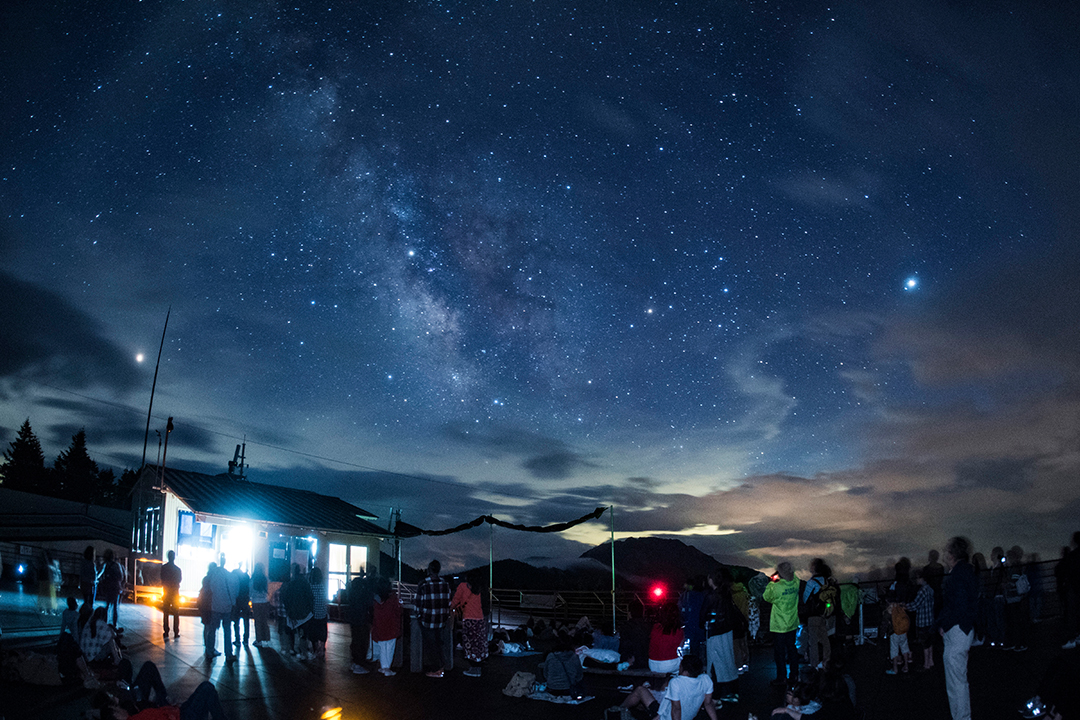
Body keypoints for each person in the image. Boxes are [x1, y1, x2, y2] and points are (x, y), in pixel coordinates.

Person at [937, 536, 980, 720]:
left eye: (946, 550)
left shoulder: (958, 575)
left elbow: (958, 606)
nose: (944, 553)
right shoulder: (965, 571)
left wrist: (944, 625)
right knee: (958, 680)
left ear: (952, 554)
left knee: (956, 683)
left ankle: (962, 717)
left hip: (957, 631)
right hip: (961, 630)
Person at [92, 664, 229, 720]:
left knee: (148, 667)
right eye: (116, 708)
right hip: (181, 716)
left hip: (172, 710)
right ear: (116, 714)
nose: (118, 706)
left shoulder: (130, 712)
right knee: (206, 688)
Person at [619, 654, 718, 720]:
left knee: (640, 690)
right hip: (683, 717)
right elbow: (708, 704)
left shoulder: (676, 682)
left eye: (680, 666)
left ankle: (619, 710)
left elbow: (676, 709)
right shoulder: (705, 679)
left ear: (685, 670)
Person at [700, 569, 740, 703]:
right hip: (727, 632)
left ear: (712, 580)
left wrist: (703, 624)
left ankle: (716, 697)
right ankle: (733, 691)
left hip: (714, 633)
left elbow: (702, 615)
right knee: (728, 660)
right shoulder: (726, 594)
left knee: (715, 663)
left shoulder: (711, 596)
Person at [763, 561, 800, 686]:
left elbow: (766, 597)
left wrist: (771, 582)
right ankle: (794, 675)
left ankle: (781, 677)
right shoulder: (796, 582)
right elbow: (794, 576)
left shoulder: (776, 587)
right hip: (792, 623)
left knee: (779, 652)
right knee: (792, 649)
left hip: (779, 625)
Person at [414, 559, 451, 678]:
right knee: (439, 644)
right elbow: (448, 602)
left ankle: (437, 670)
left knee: (431, 646)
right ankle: (442, 666)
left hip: (427, 620)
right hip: (441, 620)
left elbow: (417, 604)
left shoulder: (423, 584)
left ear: (429, 570)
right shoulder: (445, 584)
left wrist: (419, 616)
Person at [450, 571, 488, 677]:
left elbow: (455, 600)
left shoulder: (463, 586)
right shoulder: (480, 587)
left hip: (469, 620)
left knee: (470, 645)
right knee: (478, 644)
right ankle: (478, 667)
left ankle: (474, 669)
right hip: (480, 620)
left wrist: (449, 608)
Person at [802, 558, 832, 669]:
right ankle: (826, 661)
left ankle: (814, 664)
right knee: (825, 639)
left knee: (813, 641)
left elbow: (805, 599)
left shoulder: (812, 582)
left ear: (814, 568)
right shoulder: (826, 580)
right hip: (823, 614)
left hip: (813, 614)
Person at [207, 556, 238, 664]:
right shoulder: (228, 575)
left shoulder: (214, 575)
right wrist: (233, 603)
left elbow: (211, 589)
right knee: (227, 630)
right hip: (227, 606)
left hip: (215, 605)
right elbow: (233, 591)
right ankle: (228, 653)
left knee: (212, 630)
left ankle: (210, 650)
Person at [282, 563, 315, 659]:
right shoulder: (304, 582)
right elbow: (310, 597)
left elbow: (286, 599)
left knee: (292, 632)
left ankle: (292, 649)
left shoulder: (291, 583)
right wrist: (310, 609)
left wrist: (289, 610)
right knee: (304, 633)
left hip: (293, 612)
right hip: (305, 613)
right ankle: (303, 652)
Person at [371, 575, 402, 676]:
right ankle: (386, 668)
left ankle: (383, 666)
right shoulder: (393, 597)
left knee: (382, 646)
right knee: (390, 648)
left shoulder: (375, 599)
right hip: (392, 626)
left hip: (379, 626)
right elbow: (398, 611)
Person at [906, 568, 935, 671]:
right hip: (930, 620)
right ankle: (930, 661)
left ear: (922, 578)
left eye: (917, 578)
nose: (916, 580)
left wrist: (904, 606)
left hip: (923, 622)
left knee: (924, 644)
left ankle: (926, 664)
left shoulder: (922, 591)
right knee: (929, 642)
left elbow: (915, 605)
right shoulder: (930, 589)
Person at [347, 572, 374, 674]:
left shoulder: (352, 595)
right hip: (362, 620)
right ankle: (359, 664)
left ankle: (355, 662)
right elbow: (369, 604)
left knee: (355, 640)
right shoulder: (364, 595)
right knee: (362, 642)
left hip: (353, 620)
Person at [647, 601, 684, 675]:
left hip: (652, 664)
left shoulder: (655, 627)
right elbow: (681, 646)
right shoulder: (678, 630)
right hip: (669, 663)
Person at [99, 549, 126, 627]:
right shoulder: (117, 565)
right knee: (115, 607)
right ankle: (114, 624)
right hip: (116, 587)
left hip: (108, 587)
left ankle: (105, 622)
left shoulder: (105, 565)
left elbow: (101, 575)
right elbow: (121, 576)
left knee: (107, 606)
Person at [160, 550, 182, 641]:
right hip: (175, 593)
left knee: (166, 612)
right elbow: (179, 580)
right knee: (176, 613)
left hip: (166, 592)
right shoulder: (177, 569)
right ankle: (176, 632)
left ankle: (166, 631)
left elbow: (162, 579)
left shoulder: (164, 568)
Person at [308, 566, 329, 658]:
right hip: (323, 613)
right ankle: (322, 648)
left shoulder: (310, 587)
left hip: (313, 614)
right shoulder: (323, 587)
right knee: (322, 631)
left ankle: (315, 649)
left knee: (313, 633)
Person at [249, 563, 271, 648]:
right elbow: (268, 589)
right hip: (264, 601)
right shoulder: (265, 579)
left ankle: (259, 639)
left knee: (257, 621)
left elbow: (250, 591)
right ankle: (267, 639)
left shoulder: (253, 579)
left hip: (256, 602)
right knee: (264, 621)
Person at [230, 563, 251, 647]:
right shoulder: (246, 577)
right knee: (246, 621)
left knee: (236, 621)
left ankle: (237, 639)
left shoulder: (235, 578)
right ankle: (246, 640)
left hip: (237, 601)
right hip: (245, 600)